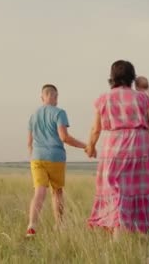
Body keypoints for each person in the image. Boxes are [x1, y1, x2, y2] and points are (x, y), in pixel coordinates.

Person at [86, 60, 149, 239]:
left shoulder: (102, 99)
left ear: (112, 78)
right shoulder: (142, 98)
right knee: (137, 190)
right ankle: (141, 232)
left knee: (115, 190)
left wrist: (91, 146)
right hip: (139, 147)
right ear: (132, 77)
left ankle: (118, 235)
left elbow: (96, 129)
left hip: (113, 147)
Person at [26, 84, 89, 238]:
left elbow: (29, 142)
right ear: (54, 96)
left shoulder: (33, 115)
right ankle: (59, 225)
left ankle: (32, 225)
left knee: (39, 192)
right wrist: (85, 146)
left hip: (37, 158)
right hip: (55, 157)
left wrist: (34, 155)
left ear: (42, 97)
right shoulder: (59, 113)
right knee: (57, 192)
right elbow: (64, 137)